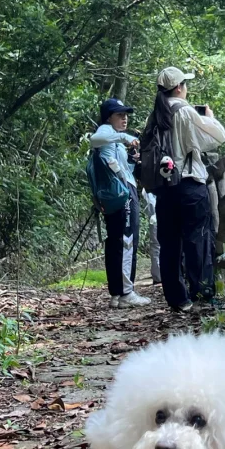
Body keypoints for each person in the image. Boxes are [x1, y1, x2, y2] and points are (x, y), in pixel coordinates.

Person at [147, 67, 225, 312]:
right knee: (198, 239)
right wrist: (210, 118)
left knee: (169, 244)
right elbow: (217, 137)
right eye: (185, 84)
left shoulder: (154, 116)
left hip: (164, 189)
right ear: (179, 87)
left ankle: (178, 299)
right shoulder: (184, 111)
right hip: (189, 184)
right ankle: (202, 294)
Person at [88, 98, 150, 308]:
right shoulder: (106, 131)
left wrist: (133, 161)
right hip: (123, 194)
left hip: (116, 194)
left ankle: (116, 293)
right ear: (108, 117)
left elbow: (118, 166)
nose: (124, 119)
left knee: (115, 241)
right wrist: (125, 137)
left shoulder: (111, 138)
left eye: (125, 115)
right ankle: (126, 293)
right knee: (126, 240)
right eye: (119, 115)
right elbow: (94, 139)